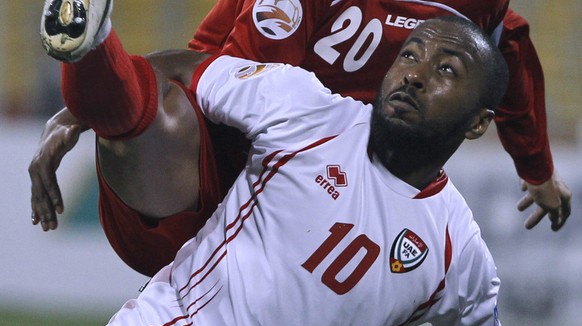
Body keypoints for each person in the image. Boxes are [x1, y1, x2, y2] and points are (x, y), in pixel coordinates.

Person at [30, 0, 571, 277]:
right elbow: (211, 63)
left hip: (302, 193)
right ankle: (94, 51)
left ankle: (100, 63)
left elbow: (511, 63)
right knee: (161, 114)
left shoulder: (481, 16)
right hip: (263, 191)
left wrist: (538, 168)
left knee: (158, 118)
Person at [101, 15, 507, 326]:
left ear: (478, 124)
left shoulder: (459, 254)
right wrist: (88, 106)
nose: (415, 75)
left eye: (446, 70)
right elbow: (180, 70)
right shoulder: (306, 109)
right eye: (409, 55)